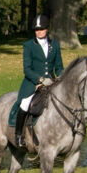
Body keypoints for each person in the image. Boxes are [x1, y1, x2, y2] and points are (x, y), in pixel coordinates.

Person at [11, 14, 64, 148]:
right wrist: (40, 79)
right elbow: (27, 69)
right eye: (36, 29)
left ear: (47, 29)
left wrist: (61, 78)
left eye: (41, 29)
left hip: (51, 83)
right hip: (32, 83)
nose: (39, 32)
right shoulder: (28, 45)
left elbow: (59, 67)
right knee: (25, 103)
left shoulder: (55, 45)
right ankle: (18, 135)